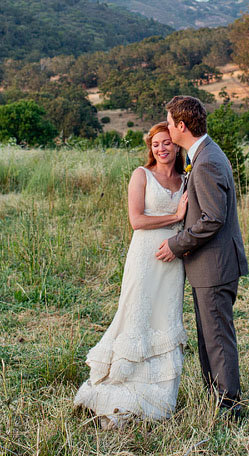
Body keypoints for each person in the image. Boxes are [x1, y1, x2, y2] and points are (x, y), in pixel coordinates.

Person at [74, 122, 190, 428]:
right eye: (156, 145)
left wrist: (181, 241)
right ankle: (117, 393)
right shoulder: (142, 175)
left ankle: (159, 397)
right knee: (136, 317)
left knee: (165, 318)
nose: (162, 149)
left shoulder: (186, 179)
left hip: (172, 260)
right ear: (150, 149)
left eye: (167, 143)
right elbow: (137, 220)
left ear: (177, 146)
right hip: (144, 256)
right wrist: (176, 216)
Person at [155, 95, 249, 419]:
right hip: (208, 266)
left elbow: (212, 218)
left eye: (169, 122)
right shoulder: (203, 154)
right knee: (210, 335)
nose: (167, 128)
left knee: (218, 338)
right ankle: (215, 400)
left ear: (182, 126)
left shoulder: (207, 160)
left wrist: (176, 245)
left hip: (215, 266)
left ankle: (229, 409)